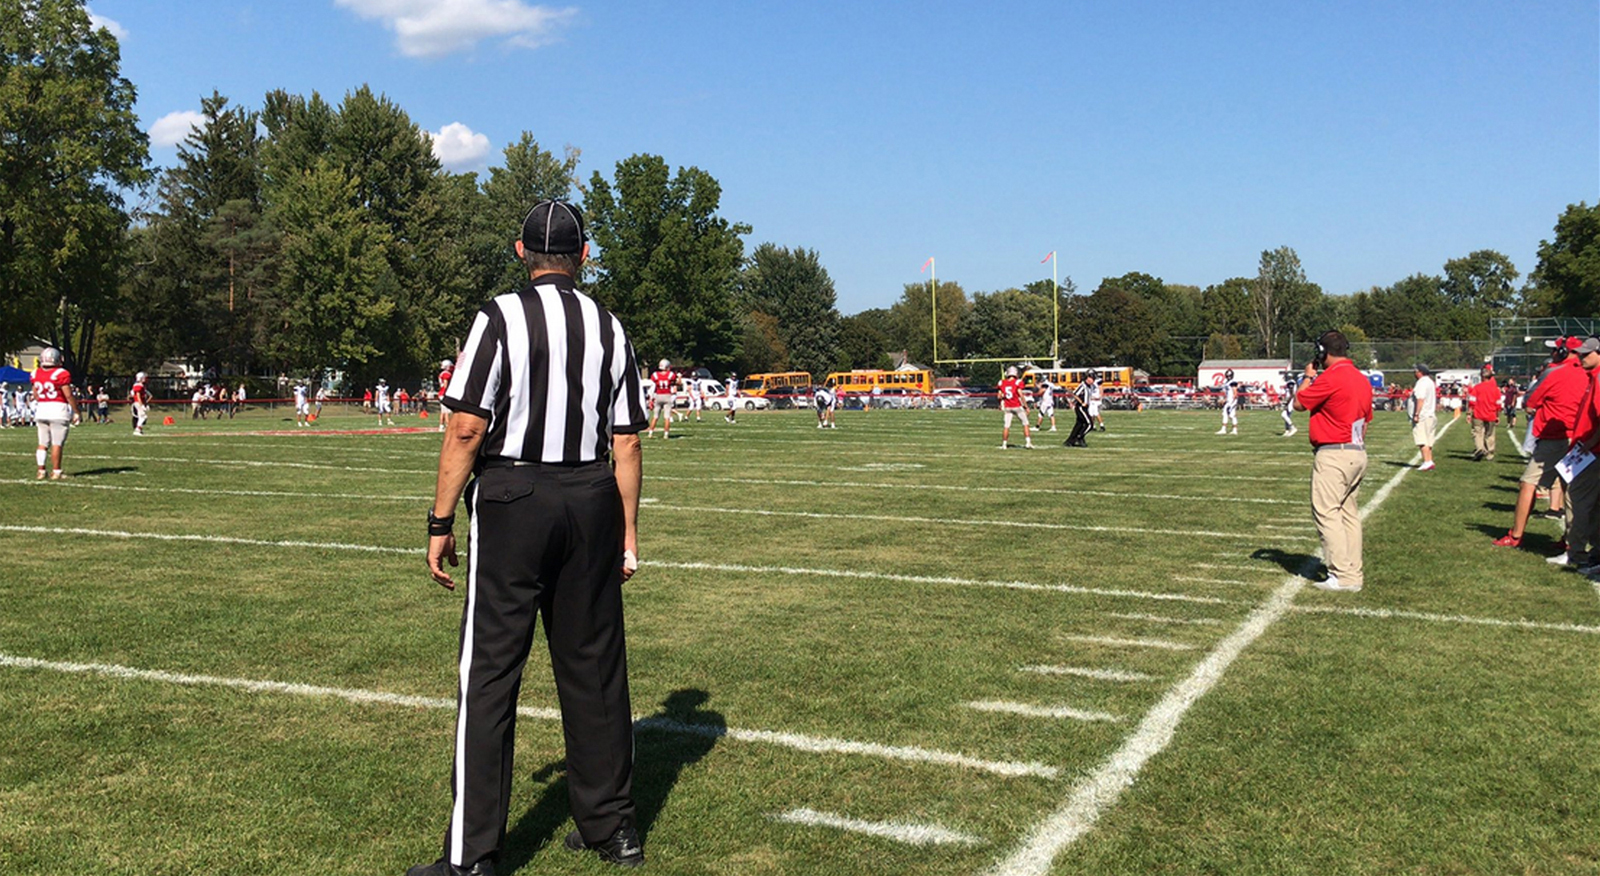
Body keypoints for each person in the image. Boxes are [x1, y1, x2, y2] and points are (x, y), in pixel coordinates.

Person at [414, 200, 648, 876]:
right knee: (595, 663)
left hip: (515, 497)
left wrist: (439, 520)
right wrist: (627, 531)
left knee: (489, 673)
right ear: (582, 255)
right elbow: (626, 438)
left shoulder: (499, 318)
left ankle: (473, 856)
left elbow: (465, 427)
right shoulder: (609, 325)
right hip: (592, 495)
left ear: (521, 252)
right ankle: (612, 828)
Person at [1294, 330, 1374, 592]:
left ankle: (1341, 575)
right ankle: (1353, 572)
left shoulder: (1332, 377)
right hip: (1356, 450)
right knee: (1349, 514)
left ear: (1322, 352)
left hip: (1334, 452)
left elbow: (1298, 402)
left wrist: (1308, 376)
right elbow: (1366, 420)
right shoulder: (1361, 379)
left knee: (1327, 513)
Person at [1494, 336, 1589, 549]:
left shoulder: (1555, 372)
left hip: (1554, 438)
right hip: (1582, 438)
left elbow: (1529, 401)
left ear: (1563, 352)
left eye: (1555, 350)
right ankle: (1572, 540)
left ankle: (1516, 535)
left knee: (1528, 482)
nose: (1552, 354)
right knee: (1572, 487)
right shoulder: (1589, 373)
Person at [1544, 338, 1600, 569]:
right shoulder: (1592, 377)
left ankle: (1576, 552)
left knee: (1578, 502)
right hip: (1591, 450)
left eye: (1586, 354)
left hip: (1593, 452)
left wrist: (1591, 442)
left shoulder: (1598, 378)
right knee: (1593, 505)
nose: (1581, 358)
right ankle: (1595, 553)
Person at [31, 347, 79, 480]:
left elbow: (35, 393)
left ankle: (41, 471)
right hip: (58, 410)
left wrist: (43, 401)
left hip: (42, 409)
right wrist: (76, 411)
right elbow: (68, 395)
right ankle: (56, 472)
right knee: (57, 443)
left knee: (42, 443)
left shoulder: (36, 373)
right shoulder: (61, 373)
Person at [1466, 366, 1500, 461]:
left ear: (1482, 377)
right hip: (1491, 414)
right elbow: (1498, 404)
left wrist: (1469, 413)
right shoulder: (1495, 389)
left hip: (1478, 413)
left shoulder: (1477, 388)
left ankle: (1480, 449)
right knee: (1490, 434)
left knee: (1477, 432)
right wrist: (1497, 415)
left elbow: (1472, 401)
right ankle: (1490, 453)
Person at [996, 366, 1033, 449]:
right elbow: (1021, 395)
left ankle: (1004, 444)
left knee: (1006, 426)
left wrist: (1000, 403)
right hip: (1017, 406)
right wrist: (1026, 406)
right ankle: (1028, 443)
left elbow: (999, 396)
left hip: (1007, 407)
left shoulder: (1002, 383)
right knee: (1025, 424)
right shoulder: (1017, 382)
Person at [1410, 364, 1437, 471]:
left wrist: (1416, 414)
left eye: (1416, 371)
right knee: (1428, 440)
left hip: (1423, 415)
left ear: (1420, 372)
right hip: (1430, 414)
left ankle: (1427, 461)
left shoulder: (1421, 383)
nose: (1414, 373)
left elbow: (1420, 399)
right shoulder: (1430, 382)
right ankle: (1429, 460)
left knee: (1422, 440)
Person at [647, 359, 676, 438]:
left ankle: (650, 433)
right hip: (667, 395)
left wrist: (651, 399)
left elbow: (652, 387)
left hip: (658, 395)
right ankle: (666, 434)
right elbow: (674, 382)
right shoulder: (671, 374)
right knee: (667, 417)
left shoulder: (655, 375)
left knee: (655, 416)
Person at [1064, 378, 1092, 447]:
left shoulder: (1089, 386)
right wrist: (1082, 402)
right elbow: (1075, 394)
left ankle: (1070, 441)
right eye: (1091, 378)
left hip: (1085, 408)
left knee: (1079, 424)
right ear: (1087, 378)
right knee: (1090, 424)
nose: (1092, 380)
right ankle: (1079, 437)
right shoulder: (1083, 386)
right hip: (1081, 407)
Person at [1216, 369, 1239, 435]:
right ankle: (1233, 430)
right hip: (1229, 400)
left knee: (1229, 414)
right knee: (1229, 415)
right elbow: (1228, 393)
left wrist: (1232, 401)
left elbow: (1235, 392)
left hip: (1232, 401)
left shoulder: (1233, 382)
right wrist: (1225, 399)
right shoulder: (1227, 383)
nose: (1228, 377)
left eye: (1229, 376)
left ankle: (1225, 429)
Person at [130, 371, 151, 436]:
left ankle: (139, 430)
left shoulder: (140, 385)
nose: (145, 379)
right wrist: (141, 405)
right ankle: (137, 430)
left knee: (141, 417)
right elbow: (138, 396)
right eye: (144, 377)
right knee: (143, 417)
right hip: (138, 402)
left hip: (138, 402)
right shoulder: (138, 385)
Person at [438, 359, 454, 432]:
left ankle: (441, 426)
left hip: (441, 393)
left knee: (443, 411)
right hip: (444, 394)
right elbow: (445, 385)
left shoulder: (442, 373)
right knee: (446, 411)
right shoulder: (446, 374)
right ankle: (448, 425)